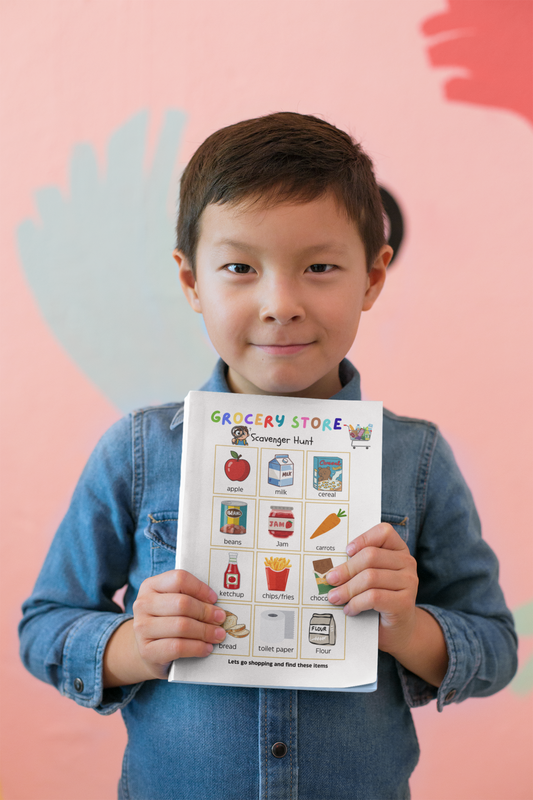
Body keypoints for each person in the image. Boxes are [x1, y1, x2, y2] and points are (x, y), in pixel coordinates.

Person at [19, 112, 517, 800]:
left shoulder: (416, 457)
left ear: (371, 278)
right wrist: (131, 646)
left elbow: (494, 648)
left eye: (319, 267)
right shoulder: (136, 451)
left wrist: (407, 627)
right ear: (191, 281)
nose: (279, 303)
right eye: (238, 268)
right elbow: (45, 623)